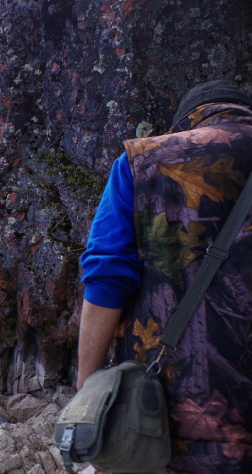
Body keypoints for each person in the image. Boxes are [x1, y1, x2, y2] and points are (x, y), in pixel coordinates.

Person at [77, 79, 252, 472]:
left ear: (186, 124)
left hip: (169, 422)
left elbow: (107, 275)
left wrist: (88, 387)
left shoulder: (144, 163)